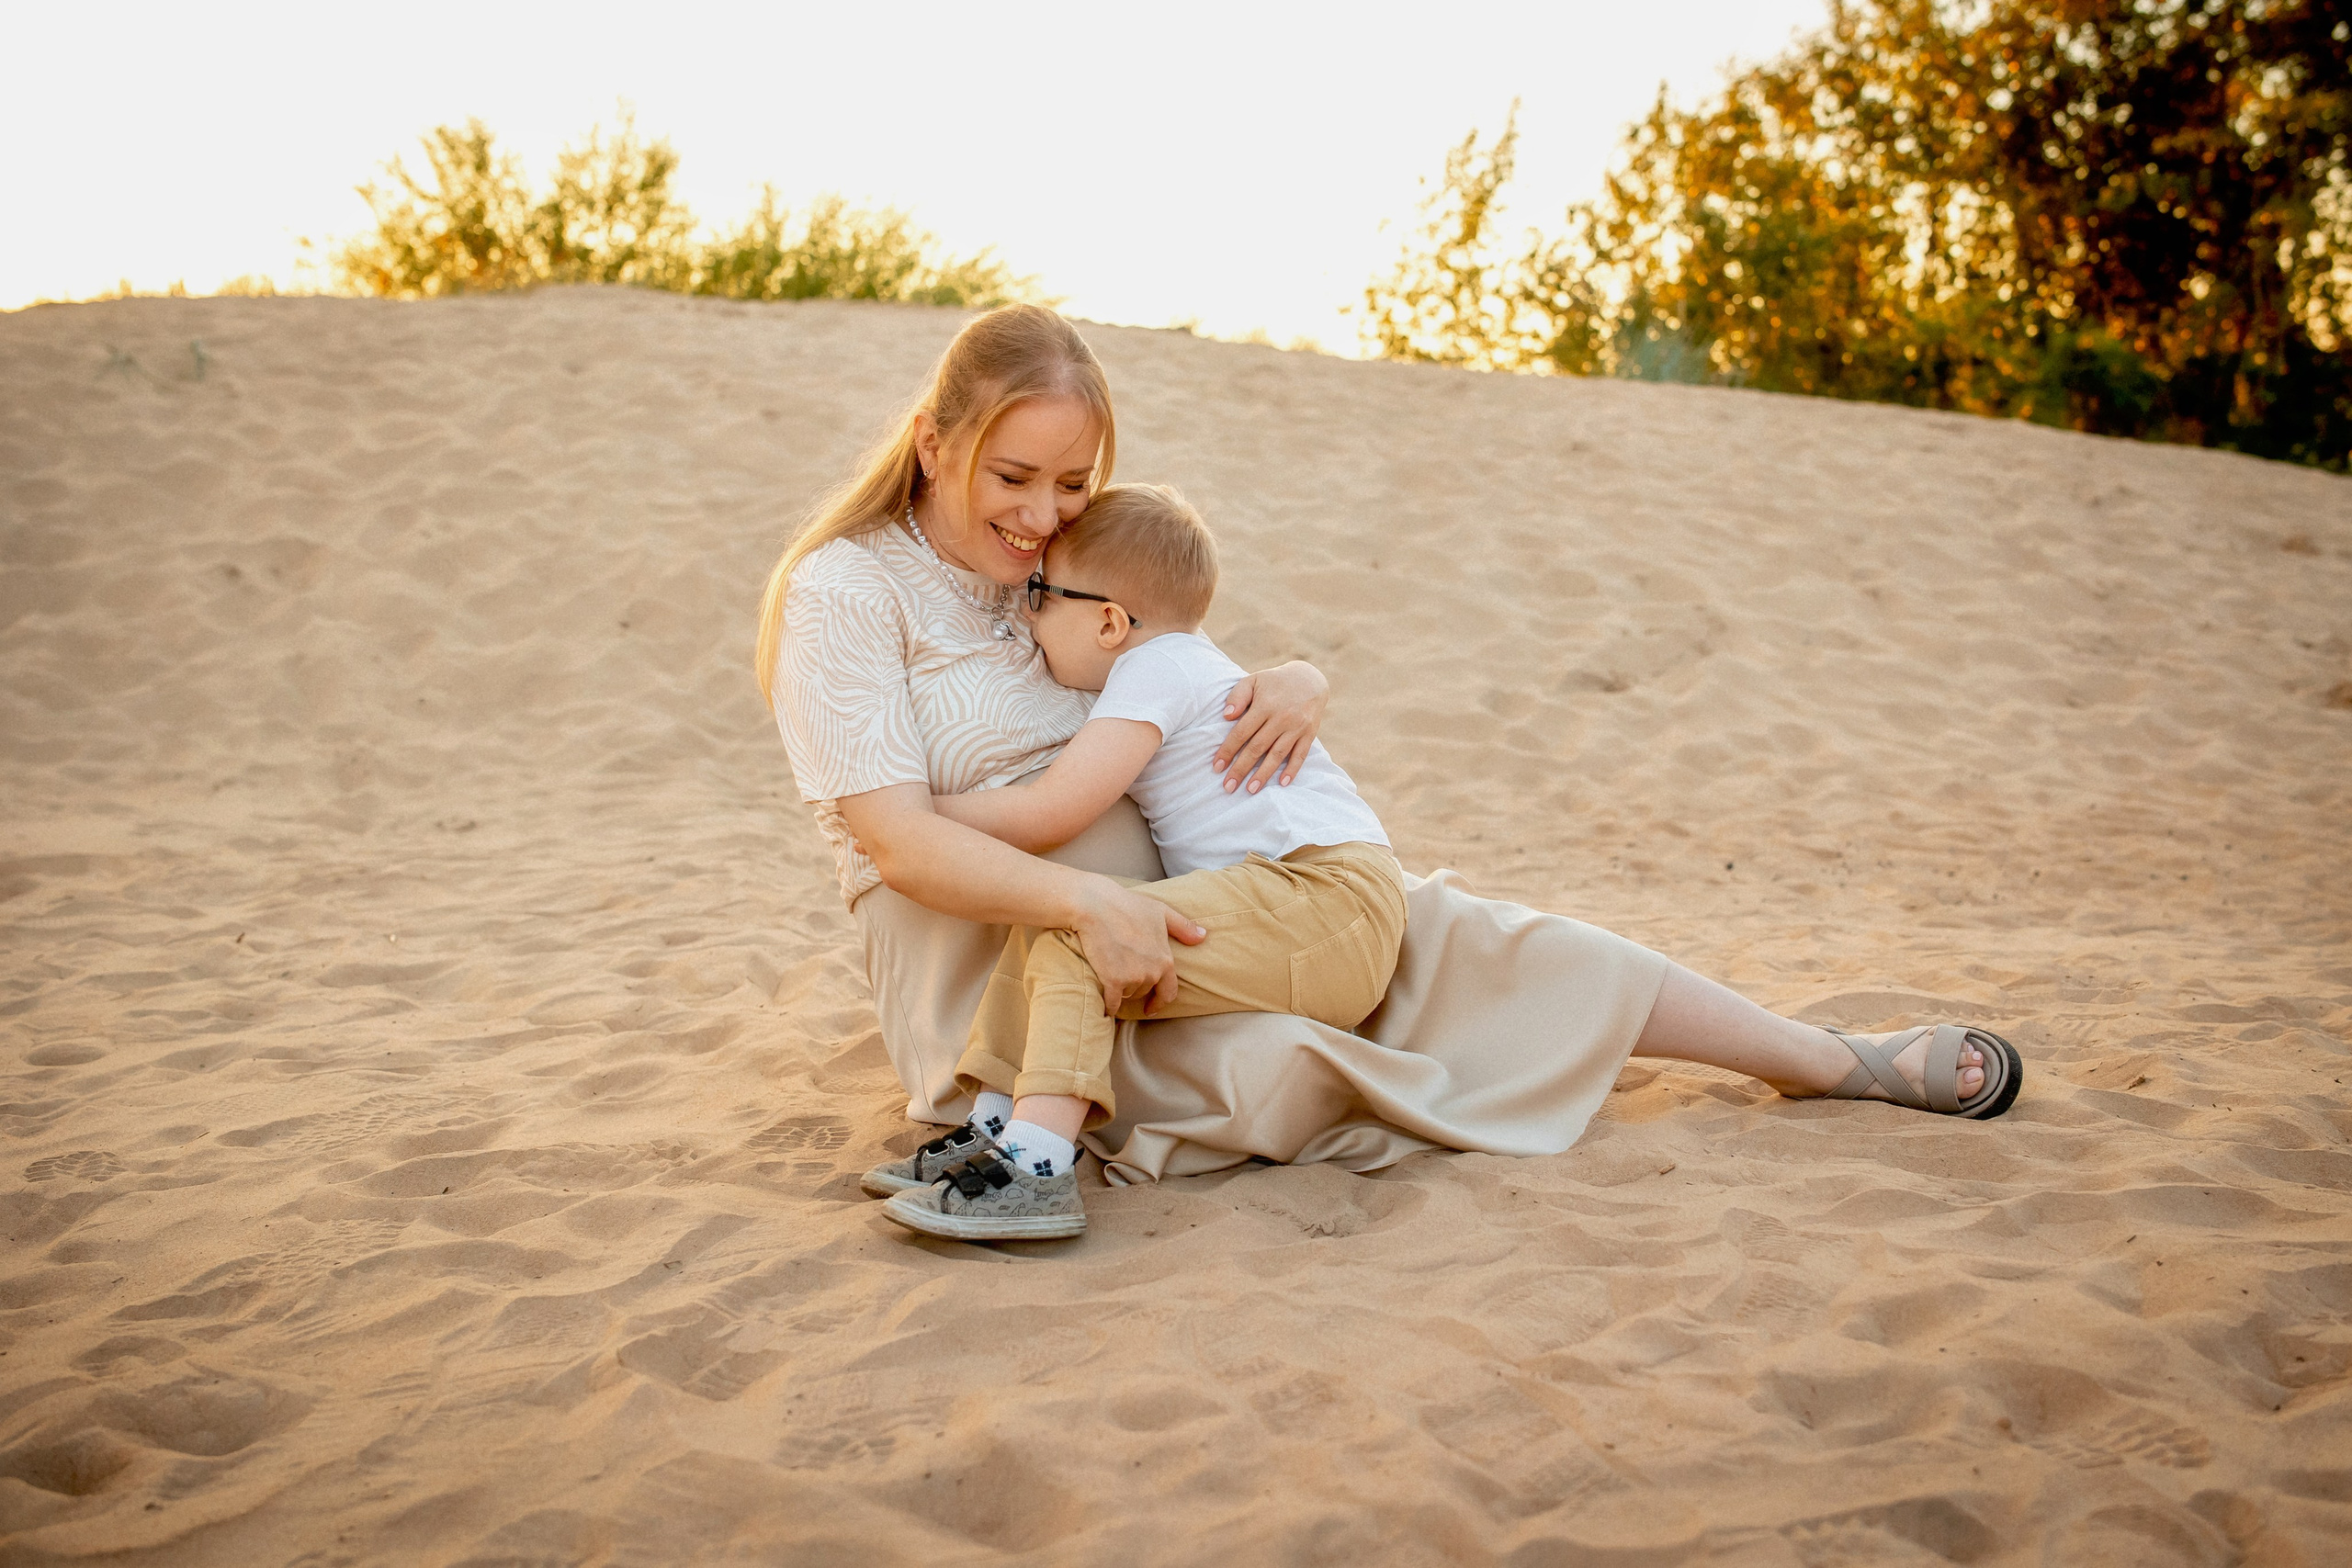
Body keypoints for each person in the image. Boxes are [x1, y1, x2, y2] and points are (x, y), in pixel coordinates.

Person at [759, 304, 2020, 1197]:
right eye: (1013, 477)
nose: (1043, 516)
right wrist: (1091, 904)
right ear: (934, 442)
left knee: (1462, 936)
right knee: (1309, 1062)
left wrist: (1295, 678)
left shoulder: (1066, 567)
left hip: (1202, 910)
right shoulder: (843, 594)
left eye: (1074, 483)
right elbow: (898, 843)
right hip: (1017, 980)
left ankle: (1826, 1060)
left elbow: (1171, 657)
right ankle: (1030, 1138)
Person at [875, 484, 1408, 1240]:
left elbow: (1053, 809)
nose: (1029, 615)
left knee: (1082, 934)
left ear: (1109, 621)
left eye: (1039, 594)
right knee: (1048, 920)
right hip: (1318, 902)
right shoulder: (1188, 663)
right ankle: (994, 1128)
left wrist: (906, 813)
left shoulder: (1153, 670)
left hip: (1325, 899)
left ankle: (1035, 1168)